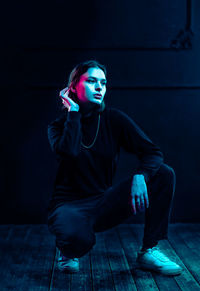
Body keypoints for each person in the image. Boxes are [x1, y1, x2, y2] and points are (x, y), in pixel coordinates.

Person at [47, 60, 182, 276]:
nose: (100, 87)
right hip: (68, 207)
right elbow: (69, 153)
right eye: (91, 81)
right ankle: (67, 249)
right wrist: (73, 112)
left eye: (103, 82)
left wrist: (141, 175)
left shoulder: (113, 119)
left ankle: (149, 250)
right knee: (78, 241)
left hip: (104, 203)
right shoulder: (57, 127)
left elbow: (152, 152)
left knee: (163, 173)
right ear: (72, 87)